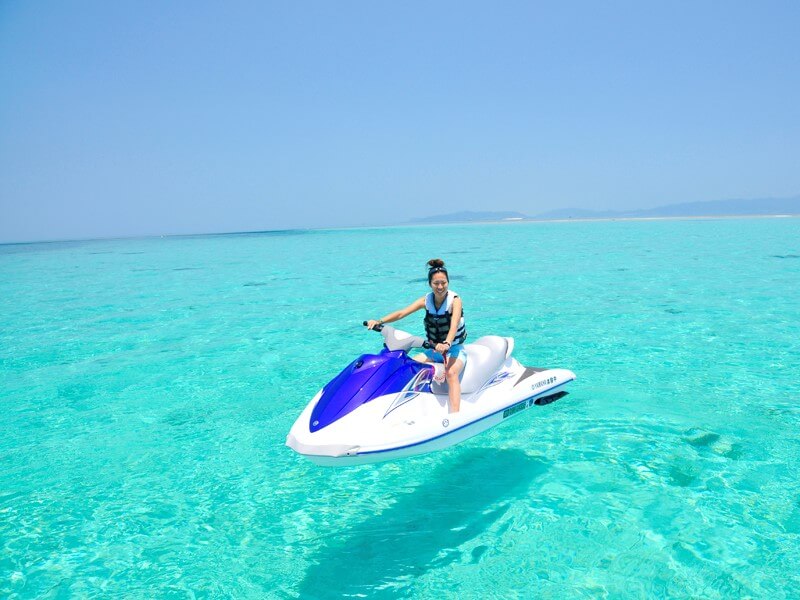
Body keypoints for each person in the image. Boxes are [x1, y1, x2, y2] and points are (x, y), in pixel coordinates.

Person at [366, 258, 467, 413]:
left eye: (443, 283)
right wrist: (379, 321)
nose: (440, 286)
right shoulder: (426, 301)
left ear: (448, 282)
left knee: (451, 373)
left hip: (453, 349)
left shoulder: (455, 301)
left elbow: (453, 325)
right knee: (407, 364)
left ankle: (455, 415)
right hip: (434, 350)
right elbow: (401, 313)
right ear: (430, 284)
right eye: (436, 283)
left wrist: (447, 343)